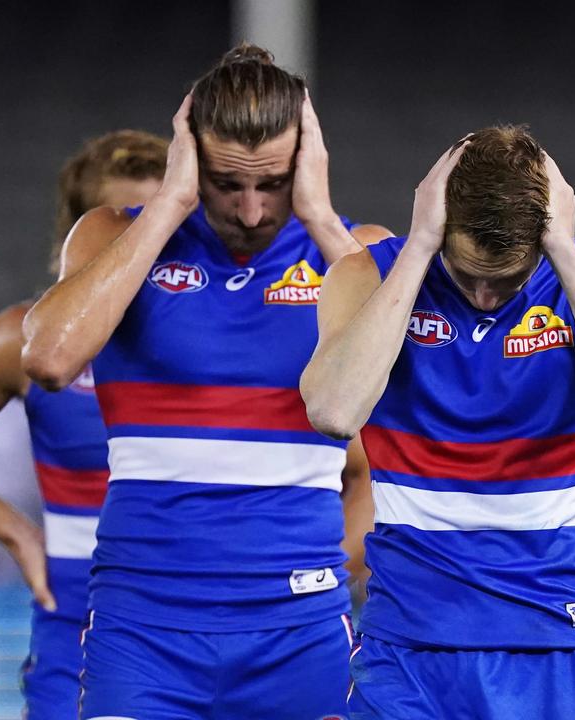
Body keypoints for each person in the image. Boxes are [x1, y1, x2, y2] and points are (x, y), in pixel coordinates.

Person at [21, 44, 385, 718]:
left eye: (273, 182)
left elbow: (418, 382)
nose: (251, 211)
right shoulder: (114, 235)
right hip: (141, 629)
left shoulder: (353, 253)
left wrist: (319, 213)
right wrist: (169, 204)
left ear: (308, 161)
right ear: (188, 158)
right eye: (226, 182)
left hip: (298, 632)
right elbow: (49, 358)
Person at [299, 125, 575, 719]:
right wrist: (421, 248)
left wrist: (562, 251)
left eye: (506, 279)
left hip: (559, 641)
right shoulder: (369, 275)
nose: (485, 297)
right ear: (436, 219)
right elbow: (333, 411)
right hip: (410, 646)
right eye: (468, 273)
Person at [0, 130, 165, 719]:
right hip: (76, 625)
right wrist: (16, 532)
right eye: (124, 224)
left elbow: (354, 468)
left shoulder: (232, 342)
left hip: (209, 619)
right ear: (79, 234)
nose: (145, 244)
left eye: (162, 223)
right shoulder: (21, 341)